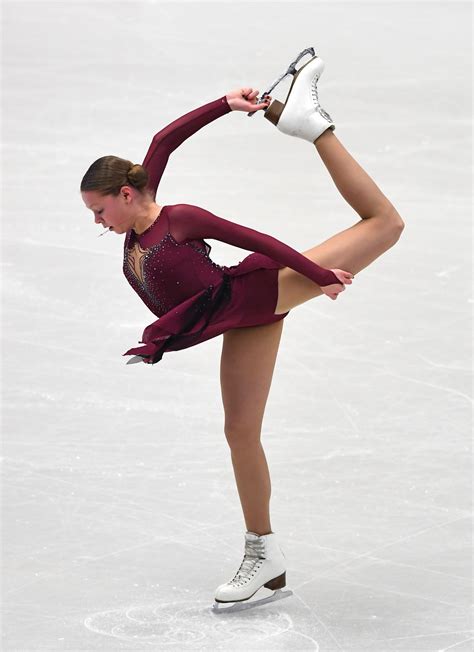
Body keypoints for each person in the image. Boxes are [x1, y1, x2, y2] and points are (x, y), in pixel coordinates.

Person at [80, 49, 404, 609]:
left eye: (99, 211)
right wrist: (224, 106)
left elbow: (259, 242)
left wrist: (317, 275)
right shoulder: (139, 211)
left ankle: (315, 126)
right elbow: (162, 141)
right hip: (241, 320)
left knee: (385, 224)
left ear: (125, 196)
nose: (97, 222)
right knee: (239, 432)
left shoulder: (178, 219)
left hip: (256, 292)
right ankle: (265, 556)